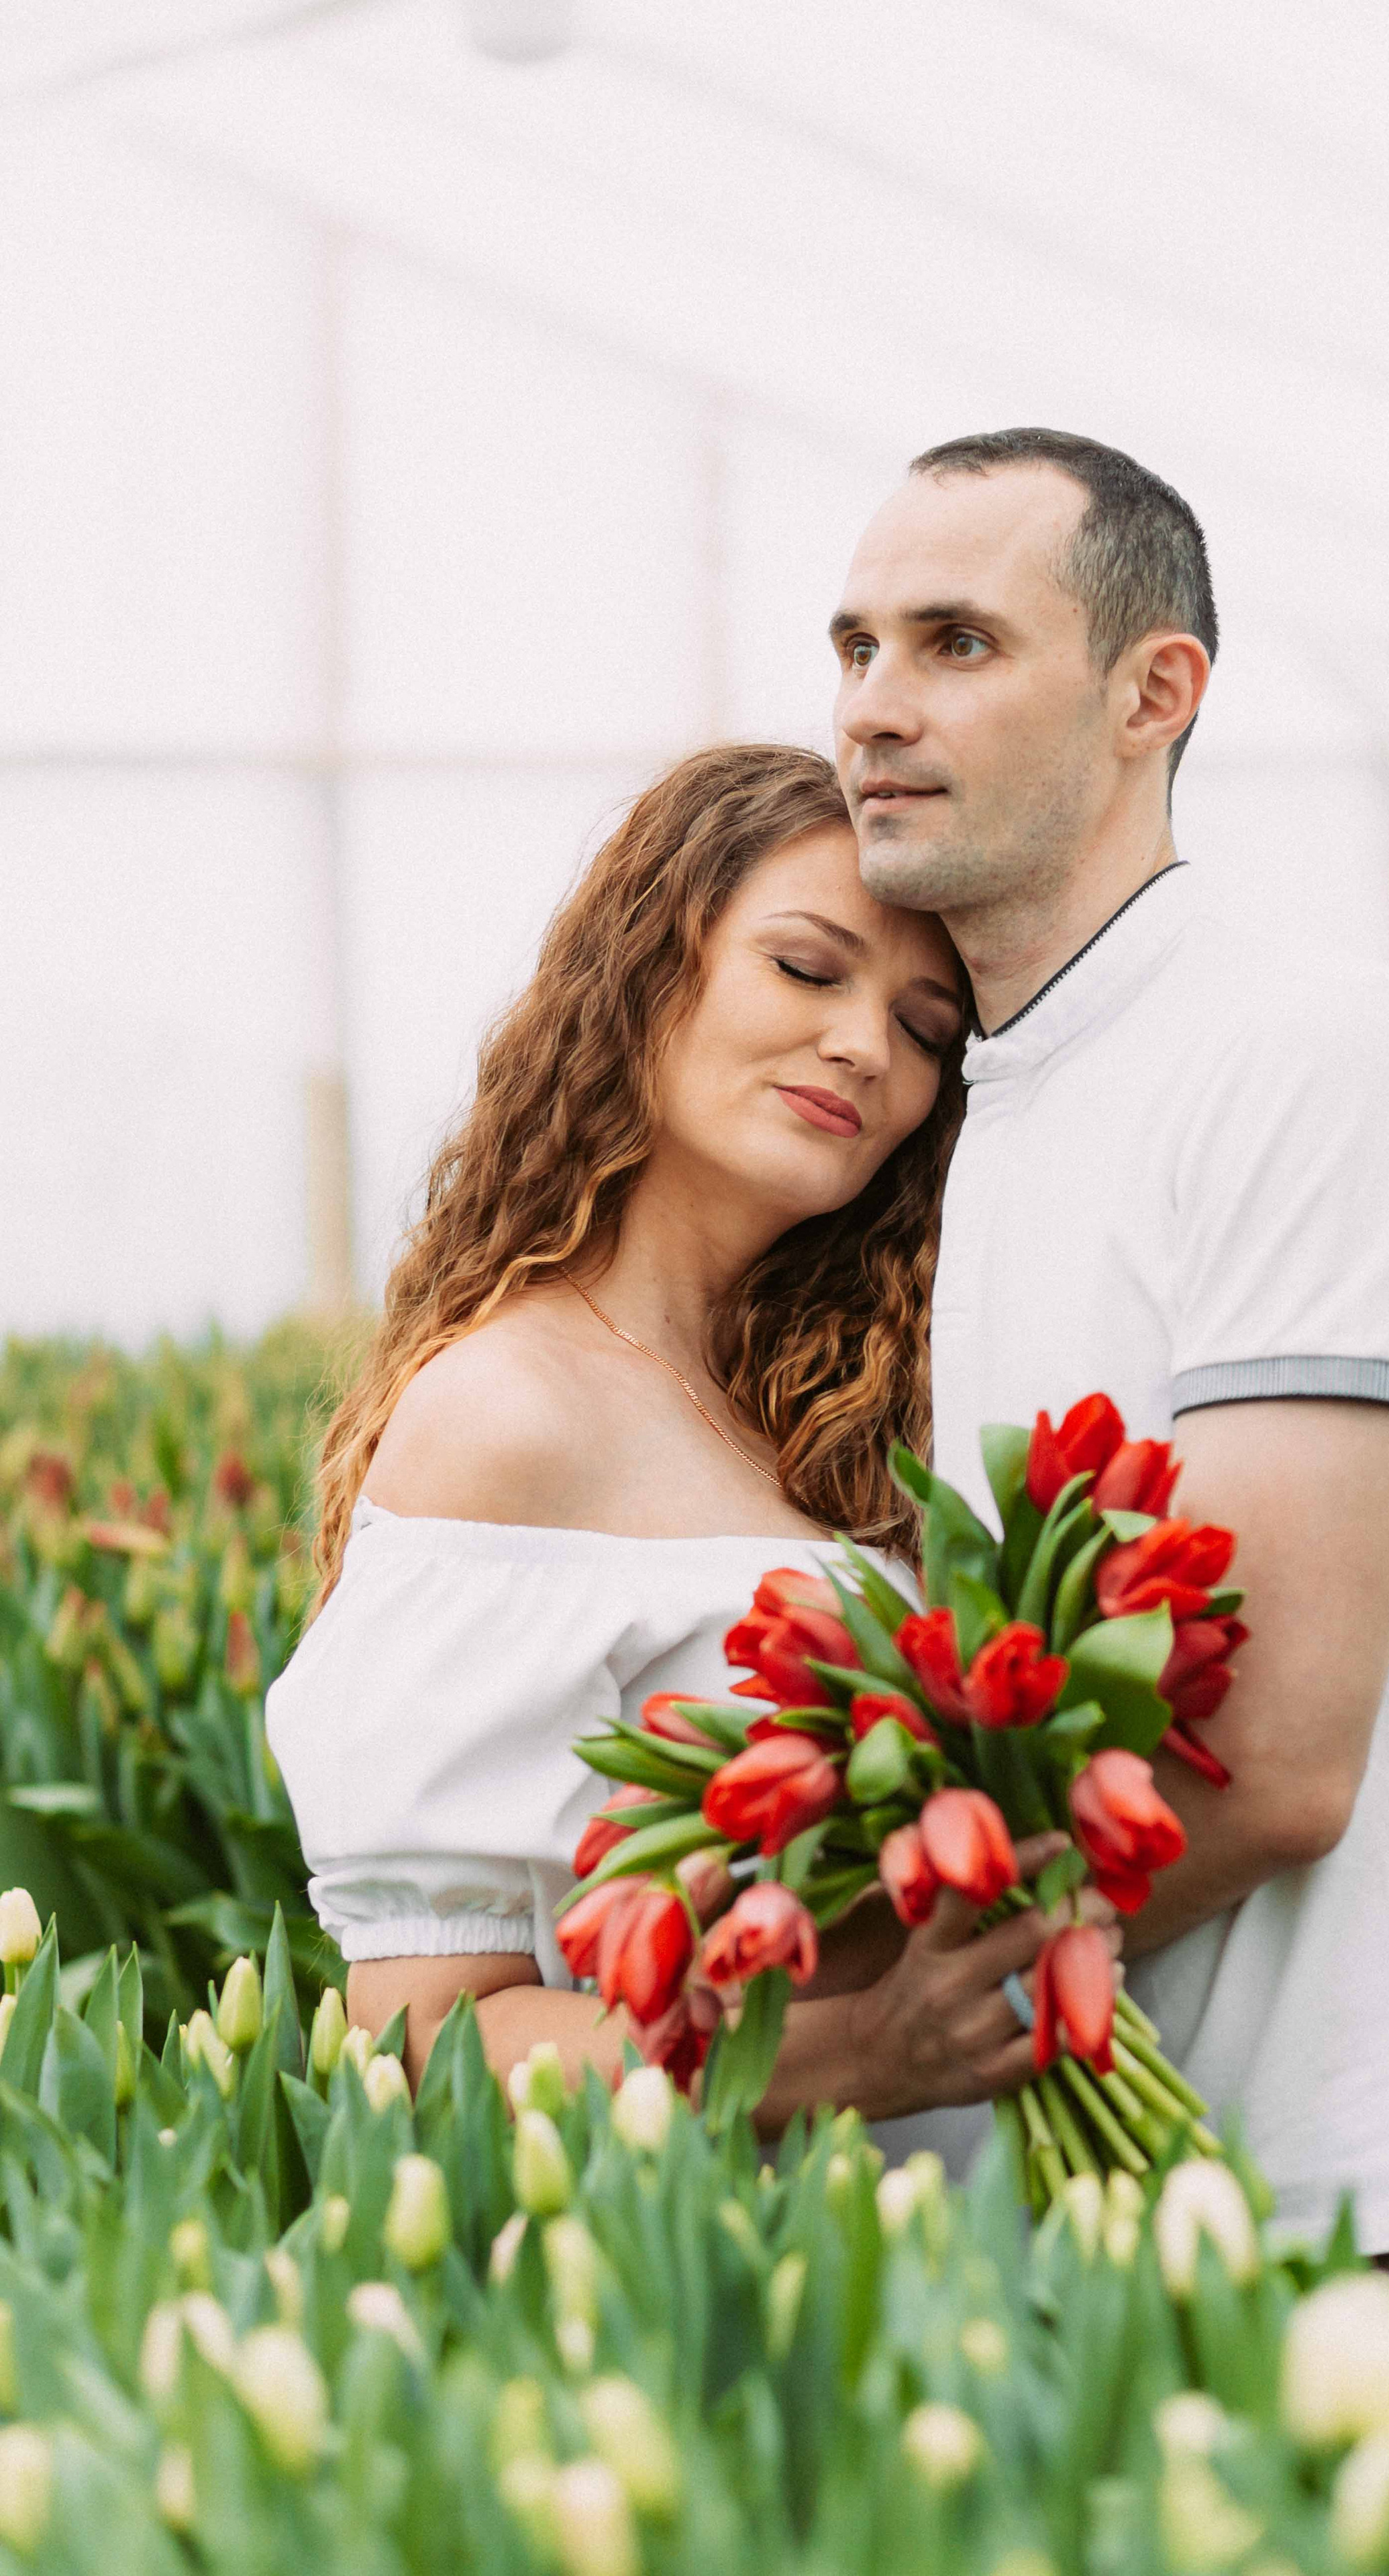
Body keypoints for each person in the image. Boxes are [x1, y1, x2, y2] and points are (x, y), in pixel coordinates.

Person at [829, 426, 1389, 2257]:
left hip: (1388, 2213)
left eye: (956, 642)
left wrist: (848, 2011)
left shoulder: (1302, 1057)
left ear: (1154, 693)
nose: (875, 704)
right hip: (1142, 2221)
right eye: (856, 646)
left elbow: (1273, 1759)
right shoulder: (1000, 1110)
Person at [266, 741, 1110, 2132]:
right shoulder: (506, 1416)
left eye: (923, 1028)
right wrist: (864, 2057)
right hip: (724, 2272)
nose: (864, 1050)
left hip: (943, 2253)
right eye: (805, 968)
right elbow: (430, 2041)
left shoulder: (845, 1407)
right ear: (648, 968)